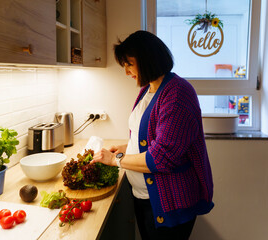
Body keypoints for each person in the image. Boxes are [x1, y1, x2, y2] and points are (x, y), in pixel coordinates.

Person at [91, 30, 214, 240]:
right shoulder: (150, 89)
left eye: (129, 64)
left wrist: (115, 159)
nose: (126, 71)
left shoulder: (177, 94)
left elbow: (162, 158)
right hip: (145, 197)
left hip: (170, 202)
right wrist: (126, 148)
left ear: (147, 60)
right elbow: (148, 137)